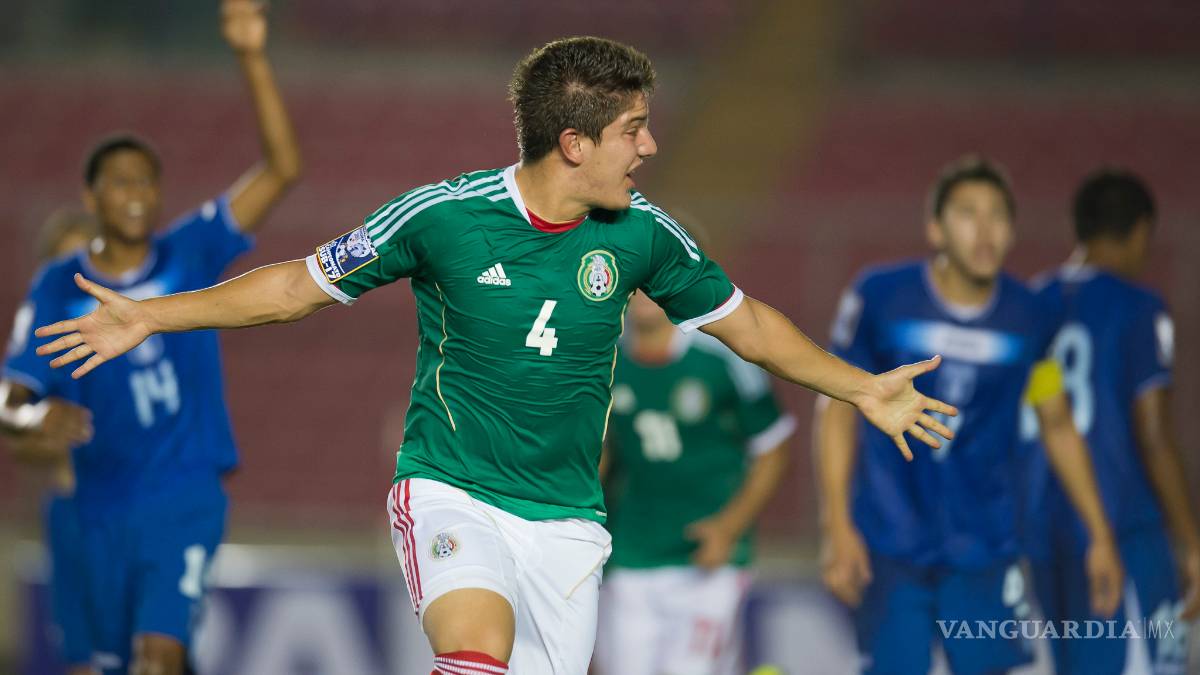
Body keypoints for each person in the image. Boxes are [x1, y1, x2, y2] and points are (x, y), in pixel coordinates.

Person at [35, 36, 954, 675]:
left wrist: (863, 389)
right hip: (453, 488)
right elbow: (293, 288)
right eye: (633, 129)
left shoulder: (643, 234)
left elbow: (745, 323)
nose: (649, 145)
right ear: (575, 143)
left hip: (568, 521)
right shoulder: (442, 216)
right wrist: (152, 316)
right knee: (474, 655)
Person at [1, 2, 301, 672]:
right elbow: (9, 398)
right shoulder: (58, 286)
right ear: (91, 196)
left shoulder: (188, 252)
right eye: (120, 181)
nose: (136, 193)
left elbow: (282, 170)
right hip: (97, 503)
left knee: (156, 655)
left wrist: (251, 55)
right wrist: (32, 418)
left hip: (183, 492)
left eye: (146, 180)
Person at [816, 156, 1124, 674]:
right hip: (890, 544)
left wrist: (1100, 535)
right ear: (935, 229)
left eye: (998, 216)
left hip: (987, 549)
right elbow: (836, 408)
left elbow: (1057, 423)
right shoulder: (880, 298)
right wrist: (837, 526)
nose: (985, 231)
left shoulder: (1031, 318)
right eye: (967, 214)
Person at [1022, 169, 1197, 674]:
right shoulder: (1139, 307)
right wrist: (1191, 542)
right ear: (1141, 231)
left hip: (1044, 532)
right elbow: (1154, 433)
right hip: (1122, 529)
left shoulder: (1028, 303)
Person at [594, 290, 795, 675]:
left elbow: (773, 446)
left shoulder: (720, 357)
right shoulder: (604, 359)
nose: (643, 293)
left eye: (652, 278)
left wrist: (729, 527)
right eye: (635, 280)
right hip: (631, 554)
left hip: (708, 561)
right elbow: (596, 454)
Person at [1, 210, 96, 675]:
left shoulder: (143, 330)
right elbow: (15, 426)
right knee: (84, 656)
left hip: (145, 510)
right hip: (76, 510)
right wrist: (53, 433)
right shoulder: (46, 345)